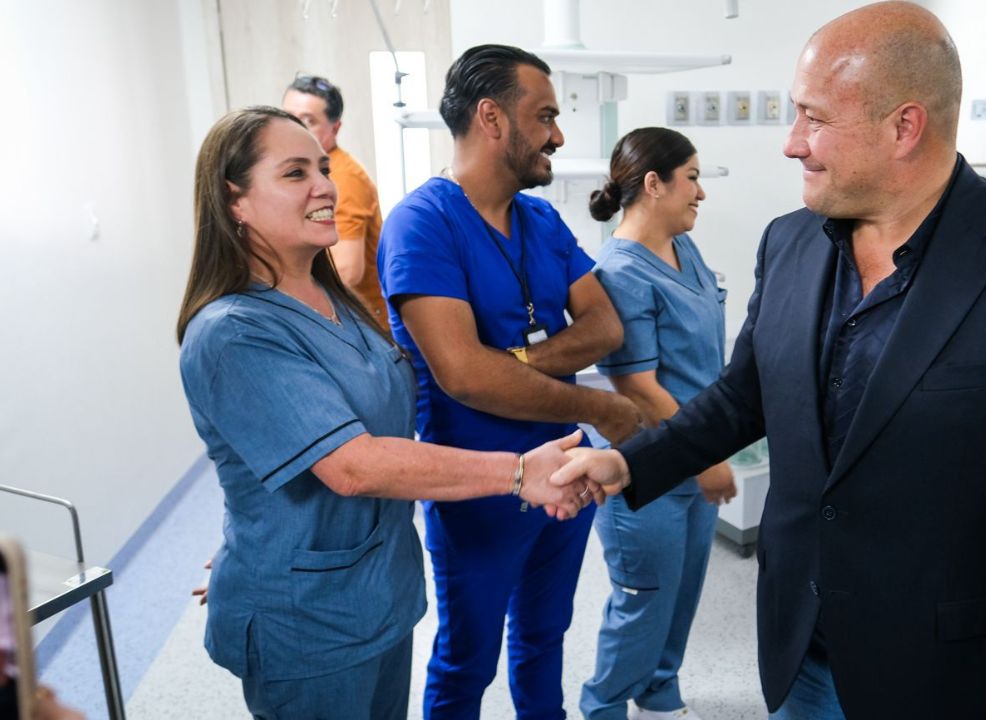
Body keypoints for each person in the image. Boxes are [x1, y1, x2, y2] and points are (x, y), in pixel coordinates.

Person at [552, 3, 986, 718]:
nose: (793, 144)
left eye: (813, 118)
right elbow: (744, 398)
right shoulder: (790, 242)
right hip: (802, 639)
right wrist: (630, 463)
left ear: (904, 126)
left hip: (945, 662)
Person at [176, 106, 598, 720]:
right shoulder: (234, 332)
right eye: (295, 173)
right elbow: (353, 465)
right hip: (309, 623)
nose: (324, 185)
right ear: (233, 200)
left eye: (322, 168)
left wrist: (252, 535)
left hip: (380, 597)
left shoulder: (336, 302)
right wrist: (516, 473)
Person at [376, 45, 644, 719]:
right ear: (492, 119)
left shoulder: (542, 220)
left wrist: (516, 365)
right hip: (481, 482)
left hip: (566, 469)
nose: (557, 135)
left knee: (545, 637)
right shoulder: (423, 223)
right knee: (468, 656)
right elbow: (464, 378)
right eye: (545, 115)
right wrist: (595, 407)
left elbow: (604, 326)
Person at [579, 128, 735, 720]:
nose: (701, 192)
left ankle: (660, 692)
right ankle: (603, 706)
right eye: (691, 177)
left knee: (684, 590)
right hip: (646, 463)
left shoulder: (681, 246)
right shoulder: (620, 271)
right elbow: (636, 386)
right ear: (653, 183)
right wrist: (709, 456)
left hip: (694, 449)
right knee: (643, 600)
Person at [282, 74, 389, 330]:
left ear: (335, 128)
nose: (295, 128)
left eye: (308, 121)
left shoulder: (343, 177)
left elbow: (347, 270)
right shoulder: (294, 172)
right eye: (287, 118)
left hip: (363, 327)